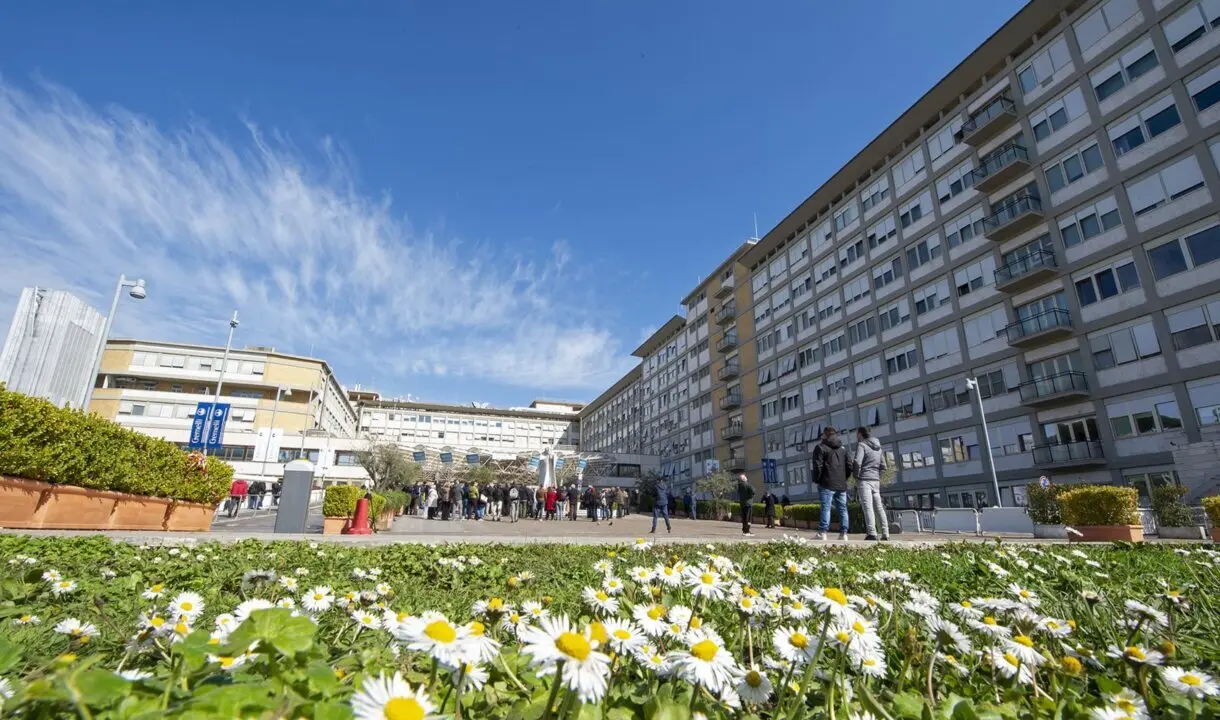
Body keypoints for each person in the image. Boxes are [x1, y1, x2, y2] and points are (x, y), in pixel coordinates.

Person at [813, 426, 851, 541]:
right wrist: (844, 478)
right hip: (841, 484)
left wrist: (817, 479)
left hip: (826, 483)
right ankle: (844, 533)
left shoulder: (820, 447)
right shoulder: (843, 449)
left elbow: (817, 466)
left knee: (826, 507)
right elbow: (849, 465)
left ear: (825, 435)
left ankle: (823, 532)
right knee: (843, 508)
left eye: (822, 434)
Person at [852, 426, 890, 541]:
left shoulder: (861, 445)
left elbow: (857, 462)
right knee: (879, 507)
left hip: (864, 480)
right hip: (876, 480)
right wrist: (878, 476)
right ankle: (885, 533)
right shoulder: (878, 448)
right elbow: (884, 466)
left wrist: (856, 476)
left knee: (867, 507)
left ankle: (872, 533)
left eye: (856, 434)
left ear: (860, 434)